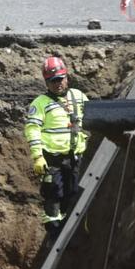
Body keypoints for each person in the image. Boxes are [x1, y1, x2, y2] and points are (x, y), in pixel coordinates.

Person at [23, 56, 89, 240]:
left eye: (60, 79)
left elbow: (91, 117)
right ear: (46, 82)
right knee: (53, 194)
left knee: (73, 193)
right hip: (52, 159)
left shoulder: (78, 96)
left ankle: (71, 234)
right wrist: (38, 156)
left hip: (75, 156)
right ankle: (54, 234)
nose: (58, 83)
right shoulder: (40, 103)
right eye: (53, 81)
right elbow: (32, 129)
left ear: (66, 77)